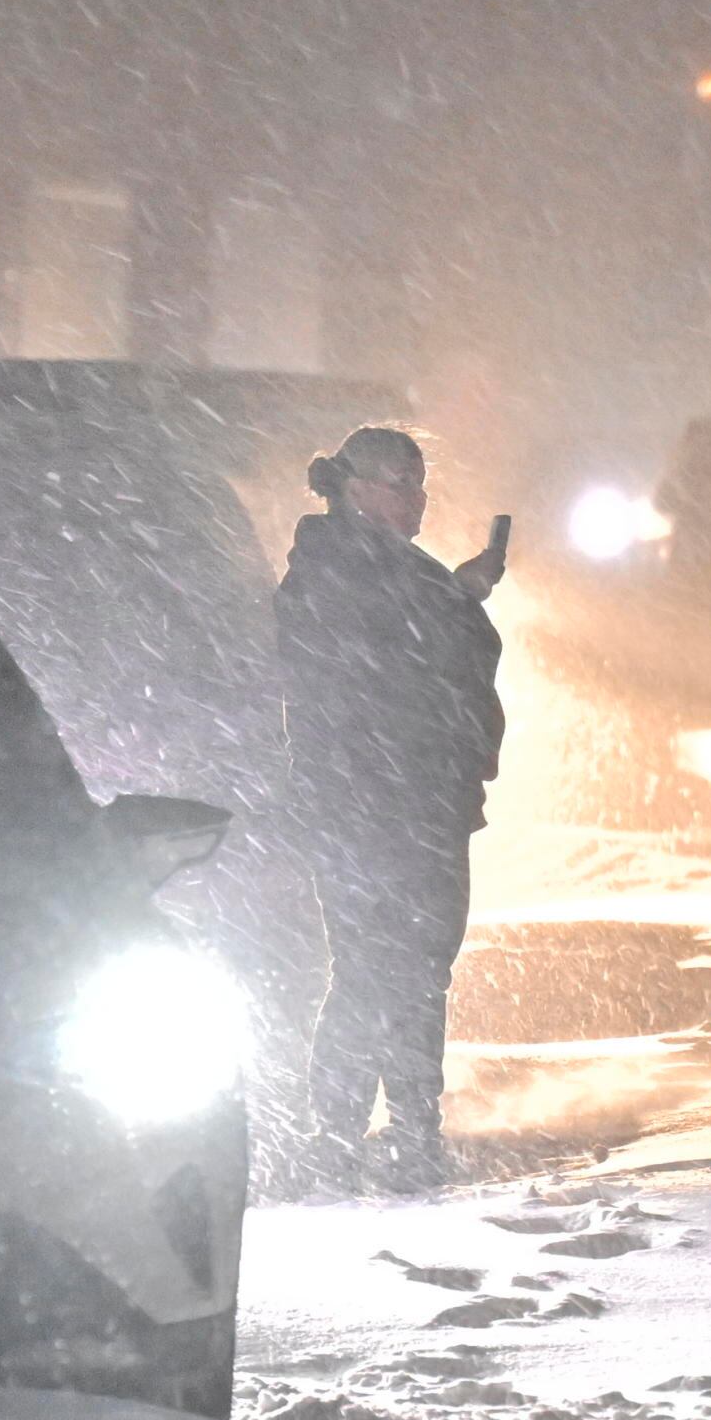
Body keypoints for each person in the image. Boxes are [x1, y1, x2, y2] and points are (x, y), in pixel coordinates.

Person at [271, 426, 505, 1189]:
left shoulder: (390, 569)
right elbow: (397, 660)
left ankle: (403, 1132)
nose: (417, 499)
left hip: (419, 805)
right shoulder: (336, 570)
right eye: (402, 483)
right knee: (377, 970)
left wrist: (458, 595)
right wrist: (459, 598)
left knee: (411, 973)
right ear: (356, 488)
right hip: (369, 807)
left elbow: (432, 650)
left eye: (422, 483)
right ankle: (346, 1135)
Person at [656, 415, 711, 605]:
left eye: (709, 442)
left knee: (696, 613)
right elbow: (662, 502)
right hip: (709, 561)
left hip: (709, 560)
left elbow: (663, 502)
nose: (705, 447)